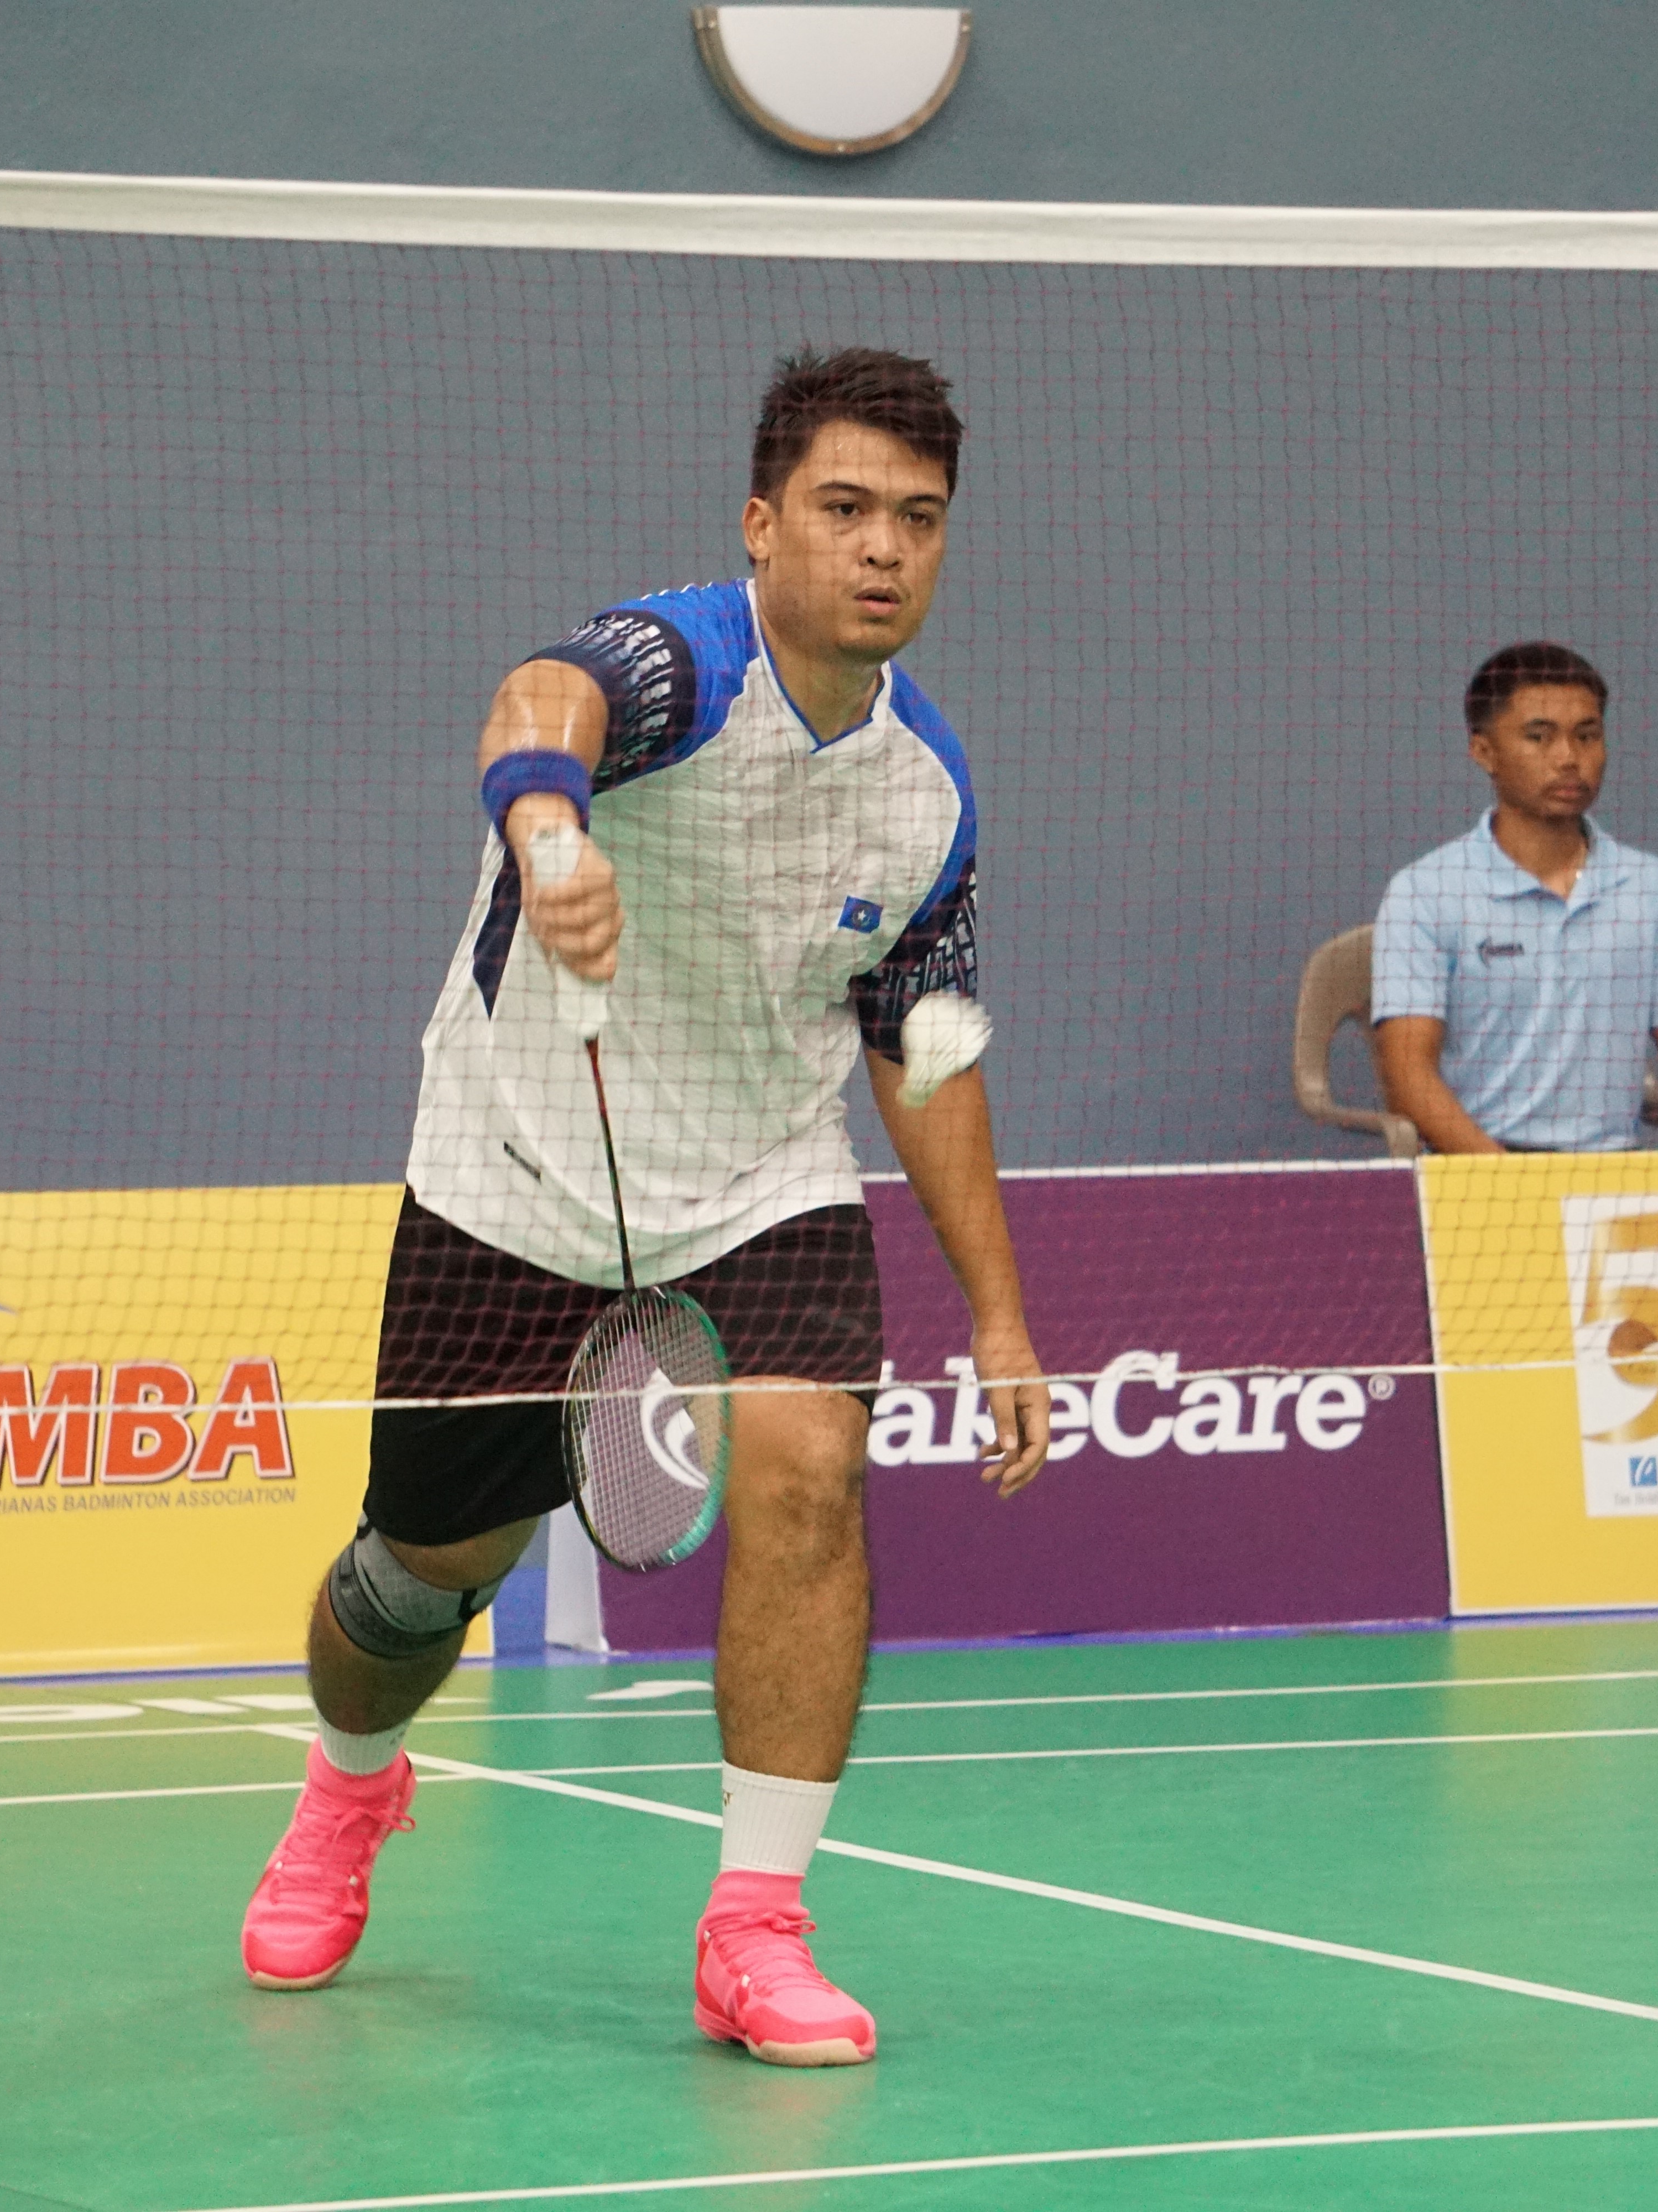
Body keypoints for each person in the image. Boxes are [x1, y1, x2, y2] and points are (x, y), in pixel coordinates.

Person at [239, 347, 1050, 2065]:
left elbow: (922, 1045)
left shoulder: (929, 792)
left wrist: (996, 1309)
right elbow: (546, 693)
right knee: (414, 1579)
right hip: (509, 1177)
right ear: (764, 526)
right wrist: (550, 839)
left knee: (811, 1474)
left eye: (916, 519)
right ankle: (351, 1788)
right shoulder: (680, 660)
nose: (880, 549)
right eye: (841, 510)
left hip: (760, 1184)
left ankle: (755, 1925)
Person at [1372, 641, 1658, 1154]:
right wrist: (1512, 1186)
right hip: (1487, 1180)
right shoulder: (1426, 892)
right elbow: (1408, 1073)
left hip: (1616, 1179)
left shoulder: (1650, 886)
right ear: (1483, 751)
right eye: (1540, 738)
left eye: (1587, 736)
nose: (1568, 759)